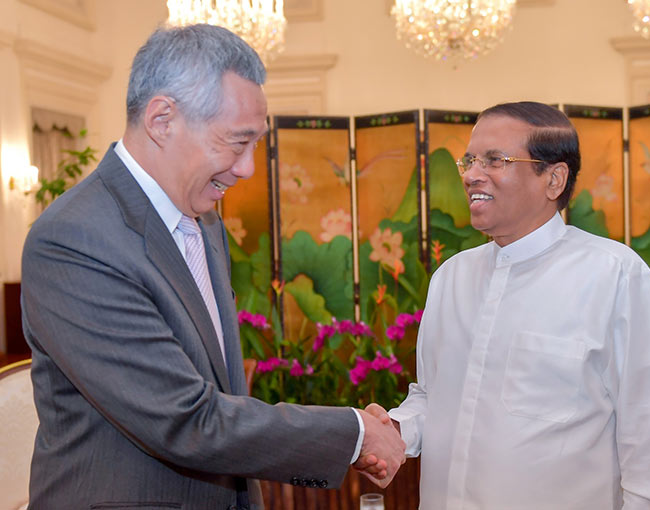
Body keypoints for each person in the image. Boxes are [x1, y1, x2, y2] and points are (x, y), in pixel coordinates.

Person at [21, 24, 404, 510]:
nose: (247, 168)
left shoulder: (205, 223)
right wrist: (354, 432)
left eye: (255, 144)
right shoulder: (76, 239)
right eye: (236, 142)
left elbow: (222, 393)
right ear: (162, 119)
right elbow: (183, 421)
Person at [370, 101, 650, 509]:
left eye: (495, 160)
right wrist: (394, 431)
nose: (470, 175)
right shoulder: (450, 278)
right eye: (469, 160)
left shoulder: (614, 275)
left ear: (554, 178)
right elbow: (433, 397)